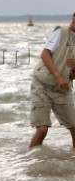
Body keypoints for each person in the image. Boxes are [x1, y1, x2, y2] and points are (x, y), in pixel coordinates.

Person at [29, 13, 75, 148]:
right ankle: (31, 161)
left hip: (62, 90)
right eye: (74, 17)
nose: (74, 20)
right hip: (42, 85)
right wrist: (59, 76)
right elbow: (45, 54)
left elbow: (73, 76)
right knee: (42, 129)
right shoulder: (61, 31)